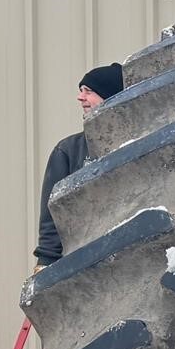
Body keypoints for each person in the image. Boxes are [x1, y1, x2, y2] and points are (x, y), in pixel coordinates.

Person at [34, 63, 123, 265]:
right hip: (80, 260)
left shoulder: (139, 146)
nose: (80, 97)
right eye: (81, 91)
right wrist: (45, 262)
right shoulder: (68, 150)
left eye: (89, 91)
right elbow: (51, 216)